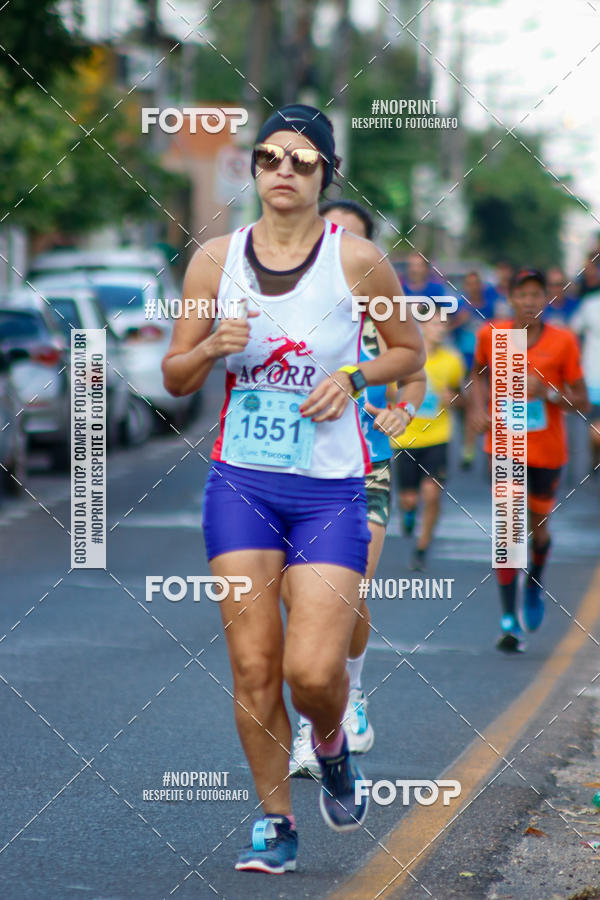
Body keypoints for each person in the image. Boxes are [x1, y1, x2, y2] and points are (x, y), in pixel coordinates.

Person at [162, 104, 425, 874]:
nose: (283, 170)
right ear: (255, 169)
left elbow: (407, 352)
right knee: (252, 666)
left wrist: (351, 377)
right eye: (271, 157)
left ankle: (334, 745)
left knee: (313, 671)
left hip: (329, 489)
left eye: (302, 161)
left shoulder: (358, 261)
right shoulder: (215, 259)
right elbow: (175, 377)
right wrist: (213, 344)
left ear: (325, 174)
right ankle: (276, 823)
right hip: (241, 483)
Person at [288, 199, 426, 778]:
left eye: (353, 235)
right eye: (333, 230)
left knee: (347, 590)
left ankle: (350, 700)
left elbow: (415, 376)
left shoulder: (384, 315)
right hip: (293, 469)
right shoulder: (293, 306)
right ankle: (320, 711)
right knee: (298, 599)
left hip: (364, 467)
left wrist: (403, 410)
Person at [471, 269, 589, 652]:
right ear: (511, 298)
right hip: (503, 445)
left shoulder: (563, 341)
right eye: (522, 294)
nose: (529, 301)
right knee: (508, 532)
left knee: (537, 529)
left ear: (546, 299)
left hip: (547, 452)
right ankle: (508, 620)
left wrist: (550, 393)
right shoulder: (492, 335)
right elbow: (477, 375)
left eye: (536, 294)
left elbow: (582, 402)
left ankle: (535, 581)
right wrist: (476, 408)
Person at [392, 304, 465, 571]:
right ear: (420, 327)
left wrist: (453, 399)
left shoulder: (453, 360)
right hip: (405, 439)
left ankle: (422, 548)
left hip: (438, 436)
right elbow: (388, 393)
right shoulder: (404, 359)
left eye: (444, 324)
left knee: (432, 494)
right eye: (435, 324)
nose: (441, 329)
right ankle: (408, 513)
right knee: (409, 499)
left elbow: (462, 398)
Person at [448, 270, 498, 468]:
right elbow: (443, 327)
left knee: (478, 405)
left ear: (480, 286)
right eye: (469, 284)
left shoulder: (489, 307)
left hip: (486, 365)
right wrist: (458, 321)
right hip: (464, 363)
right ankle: (470, 444)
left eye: (476, 284)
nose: (472, 287)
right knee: (468, 406)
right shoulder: (459, 307)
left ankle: (478, 449)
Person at [570, 288, 600, 474]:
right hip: (594, 377)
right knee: (596, 426)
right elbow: (573, 330)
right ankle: (595, 457)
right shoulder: (590, 304)